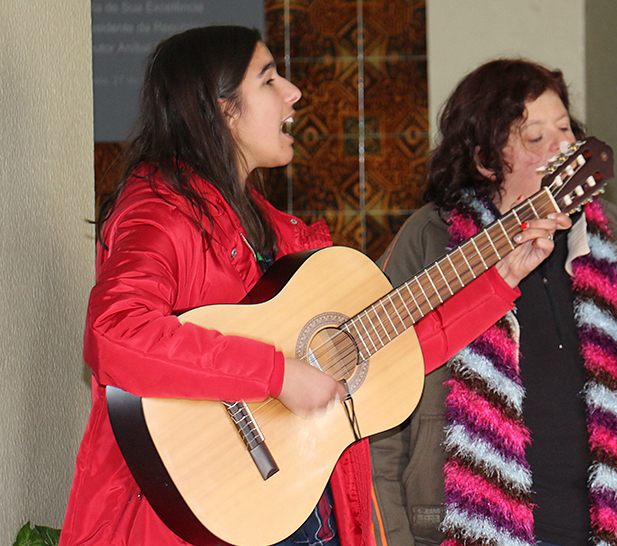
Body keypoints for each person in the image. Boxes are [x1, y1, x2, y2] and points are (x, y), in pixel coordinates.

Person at [60, 27, 567, 546]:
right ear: (221, 109)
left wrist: (501, 280)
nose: (293, 92)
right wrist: (276, 374)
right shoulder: (160, 213)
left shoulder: (278, 234)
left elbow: (391, 350)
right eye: (268, 79)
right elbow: (115, 333)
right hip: (190, 521)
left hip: (302, 507)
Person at [368, 59, 617, 546]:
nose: (562, 147)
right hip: (469, 527)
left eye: (565, 129)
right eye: (535, 138)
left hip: (614, 526)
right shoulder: (431, 240)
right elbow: (381, 402)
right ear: (484, 160)